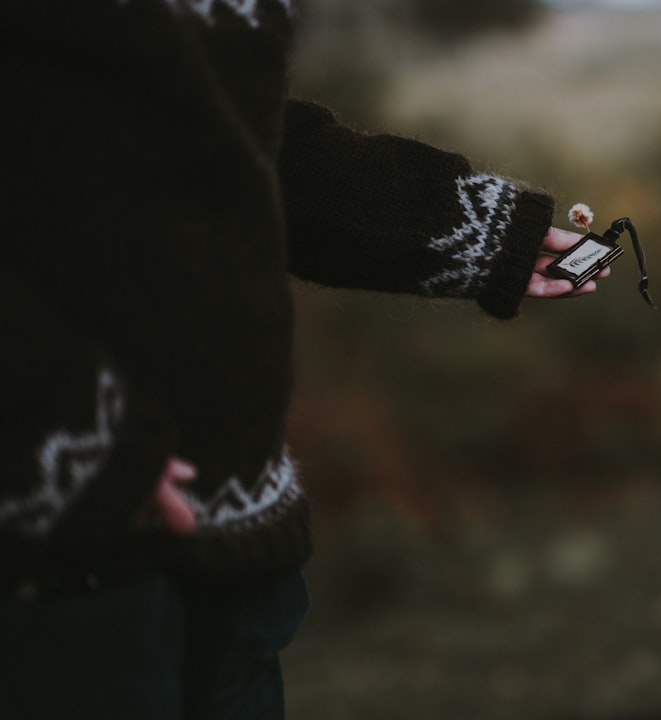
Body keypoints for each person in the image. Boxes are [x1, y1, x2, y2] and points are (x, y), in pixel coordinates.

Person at [0, 1, 607, 717]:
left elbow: (221, 136)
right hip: (54, 561)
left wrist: (466, 225)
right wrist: (68, 432)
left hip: (234, 543)